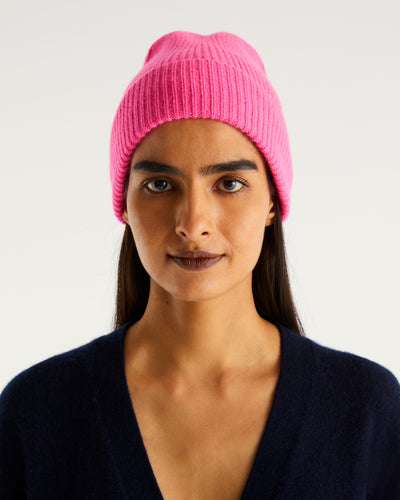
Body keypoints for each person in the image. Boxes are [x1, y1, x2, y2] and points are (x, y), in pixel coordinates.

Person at [0, 31, 399, 500]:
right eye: (159, 184)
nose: (193, 225)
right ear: (123, 203)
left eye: (229, 183)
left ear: (272, 202)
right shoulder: (36, 414)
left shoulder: (366, 412)